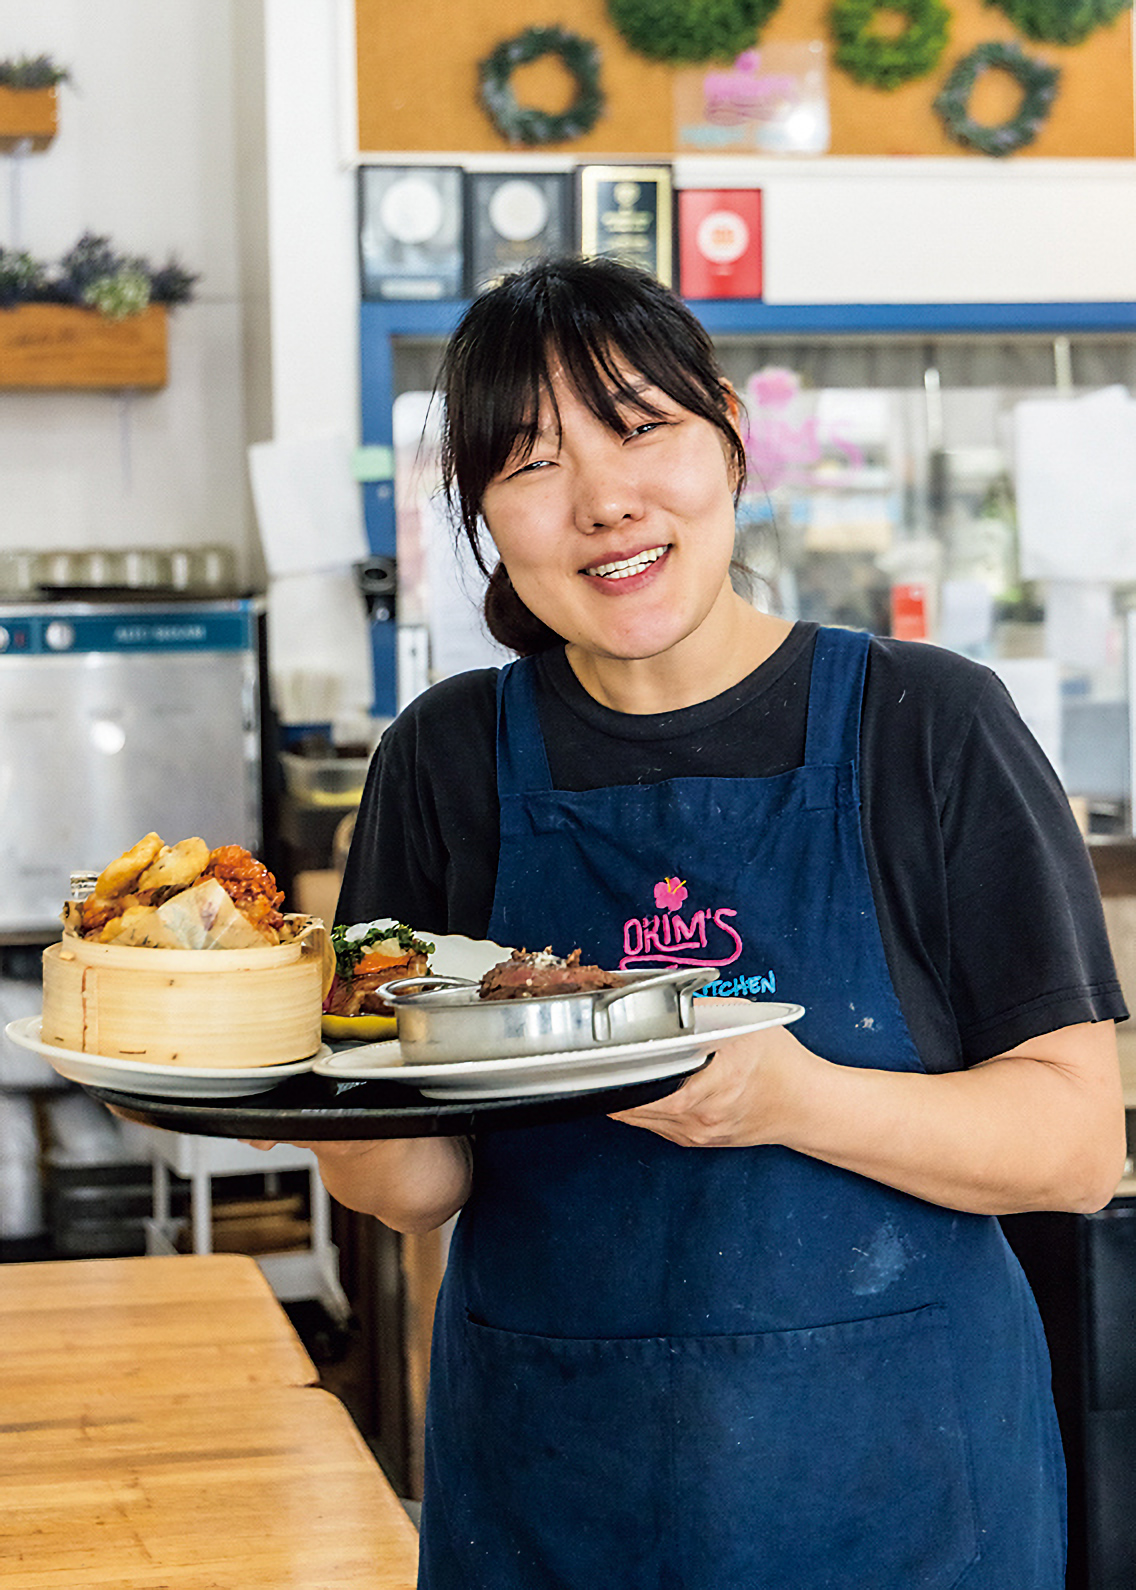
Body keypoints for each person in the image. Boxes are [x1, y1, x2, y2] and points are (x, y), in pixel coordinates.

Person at [297, 257, 1128, 1588]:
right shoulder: (442, 759)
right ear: (481, 517)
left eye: (642, 426)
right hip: (556, 1489)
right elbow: (419, 1185)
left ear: (728, 436)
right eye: (529, 462)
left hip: (901, 1498)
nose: (604, 499)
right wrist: (315, 1087)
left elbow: (1076, 1144)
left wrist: (788, 1099)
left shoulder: (931, 725)